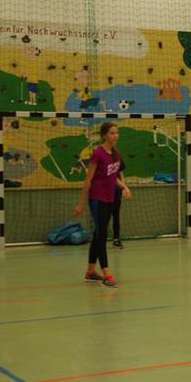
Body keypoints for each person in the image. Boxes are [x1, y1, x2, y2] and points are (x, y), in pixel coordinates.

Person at [74, 123, 131, 288]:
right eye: (112, 133)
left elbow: (114, 178)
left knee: (98, 233)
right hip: (97, 199)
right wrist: (80, 203)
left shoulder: (116, 154)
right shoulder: (98, 153)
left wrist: (125, 187)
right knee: (102, 234)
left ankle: (90, 271)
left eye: (117, 132)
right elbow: (88, 180)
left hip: (109, 198)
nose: (116, 135)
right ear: (105, 135)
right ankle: (107, 274)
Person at [111, 160, 126, 249]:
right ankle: (100, 239)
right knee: (103, 217)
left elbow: (120, 173)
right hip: (104, 191)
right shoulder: (101, 155)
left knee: (116, 216)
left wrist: (123, 187)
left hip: (116, 191)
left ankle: (116, 239)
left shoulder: (117, 157)